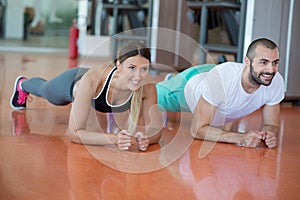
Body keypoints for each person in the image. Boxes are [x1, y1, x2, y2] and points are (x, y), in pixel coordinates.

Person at [10, 41, 163, 151]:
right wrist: (114, 139)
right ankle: (23, 84)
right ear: (118, 66)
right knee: (46, 91)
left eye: (144, 69)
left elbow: (156, 128)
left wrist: (147, 139)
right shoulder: (93, 78)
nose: (138, 76)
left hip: (93, 91)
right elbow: (75, 133)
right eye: (132, 68)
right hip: (72, 83)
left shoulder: (147, 87)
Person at [156, 38, 284, 148]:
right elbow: (197, 129)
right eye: (263, 62)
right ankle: (171, 80)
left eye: (275, 63)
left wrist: (269, 134)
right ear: (247, 62)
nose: (271, 70)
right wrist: (240, 138)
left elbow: (270, 124)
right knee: (145, 95)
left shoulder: (275, 81)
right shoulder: (221, 80)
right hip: (187, 86)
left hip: (216, 77)